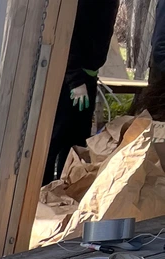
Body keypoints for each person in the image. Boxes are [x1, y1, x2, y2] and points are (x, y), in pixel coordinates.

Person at [45, 0, 121, 180]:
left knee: (76, 143)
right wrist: (75, 80)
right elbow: (67, 35)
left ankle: (64, 190)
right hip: (70, 78)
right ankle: (41, 193)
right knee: (54, 140)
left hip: (88, 76)